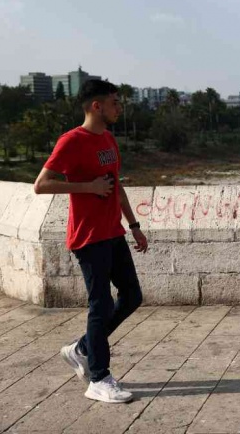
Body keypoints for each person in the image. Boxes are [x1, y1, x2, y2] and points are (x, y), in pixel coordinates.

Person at [34, 79, 148, 404]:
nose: (119, 107)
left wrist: (135, 225)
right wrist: (88, 188)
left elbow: (116, 185)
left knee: (131, 296)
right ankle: (98, 378)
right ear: (96, 106)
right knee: (99, 304)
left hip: (113, 231)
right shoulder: (72, 141)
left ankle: (83, 348)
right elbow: (41, 185)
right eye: (114, 102)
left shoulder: (109, 139)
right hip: (88, 236)